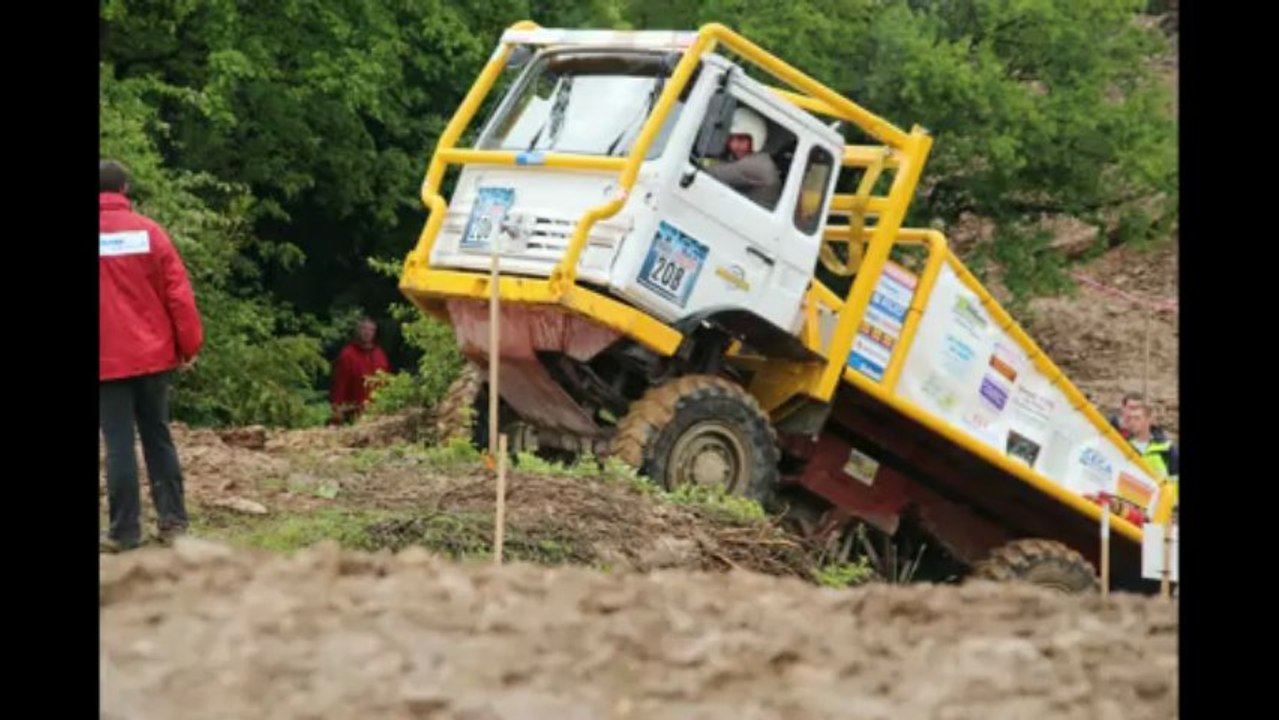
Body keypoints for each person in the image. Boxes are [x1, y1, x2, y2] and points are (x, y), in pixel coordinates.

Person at [100, 160, 204, 552]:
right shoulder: (150, 233)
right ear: (125, 189)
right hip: (153, 356)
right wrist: (188, 345)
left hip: (106, 362)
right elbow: (178, 295)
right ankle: (173, 522)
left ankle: (124, 532)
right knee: (158, 437)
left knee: (118, 444)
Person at [704, 106, 782, 209]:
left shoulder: (756, 165)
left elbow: (712, 172)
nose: (733, 145)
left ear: (756, 139)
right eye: (731, 138)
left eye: (741, 139)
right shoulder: (760, 159)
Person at [330, 317, 391, 424]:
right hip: (354, 411)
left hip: (378, 410)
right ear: (357, 331)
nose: (367, 333)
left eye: (371, 330)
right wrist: (337, 407)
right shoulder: (347, 354)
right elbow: (340, 383)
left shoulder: (379, 354)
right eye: (364, 329)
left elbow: (387, 381)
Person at [1123, 400, 1179, 481]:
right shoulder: (1123, 447)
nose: (1132, 422)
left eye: (1137, 418)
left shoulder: (1167, 449)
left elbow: (1175, 483)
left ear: (1148, 420)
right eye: (1130, 418)